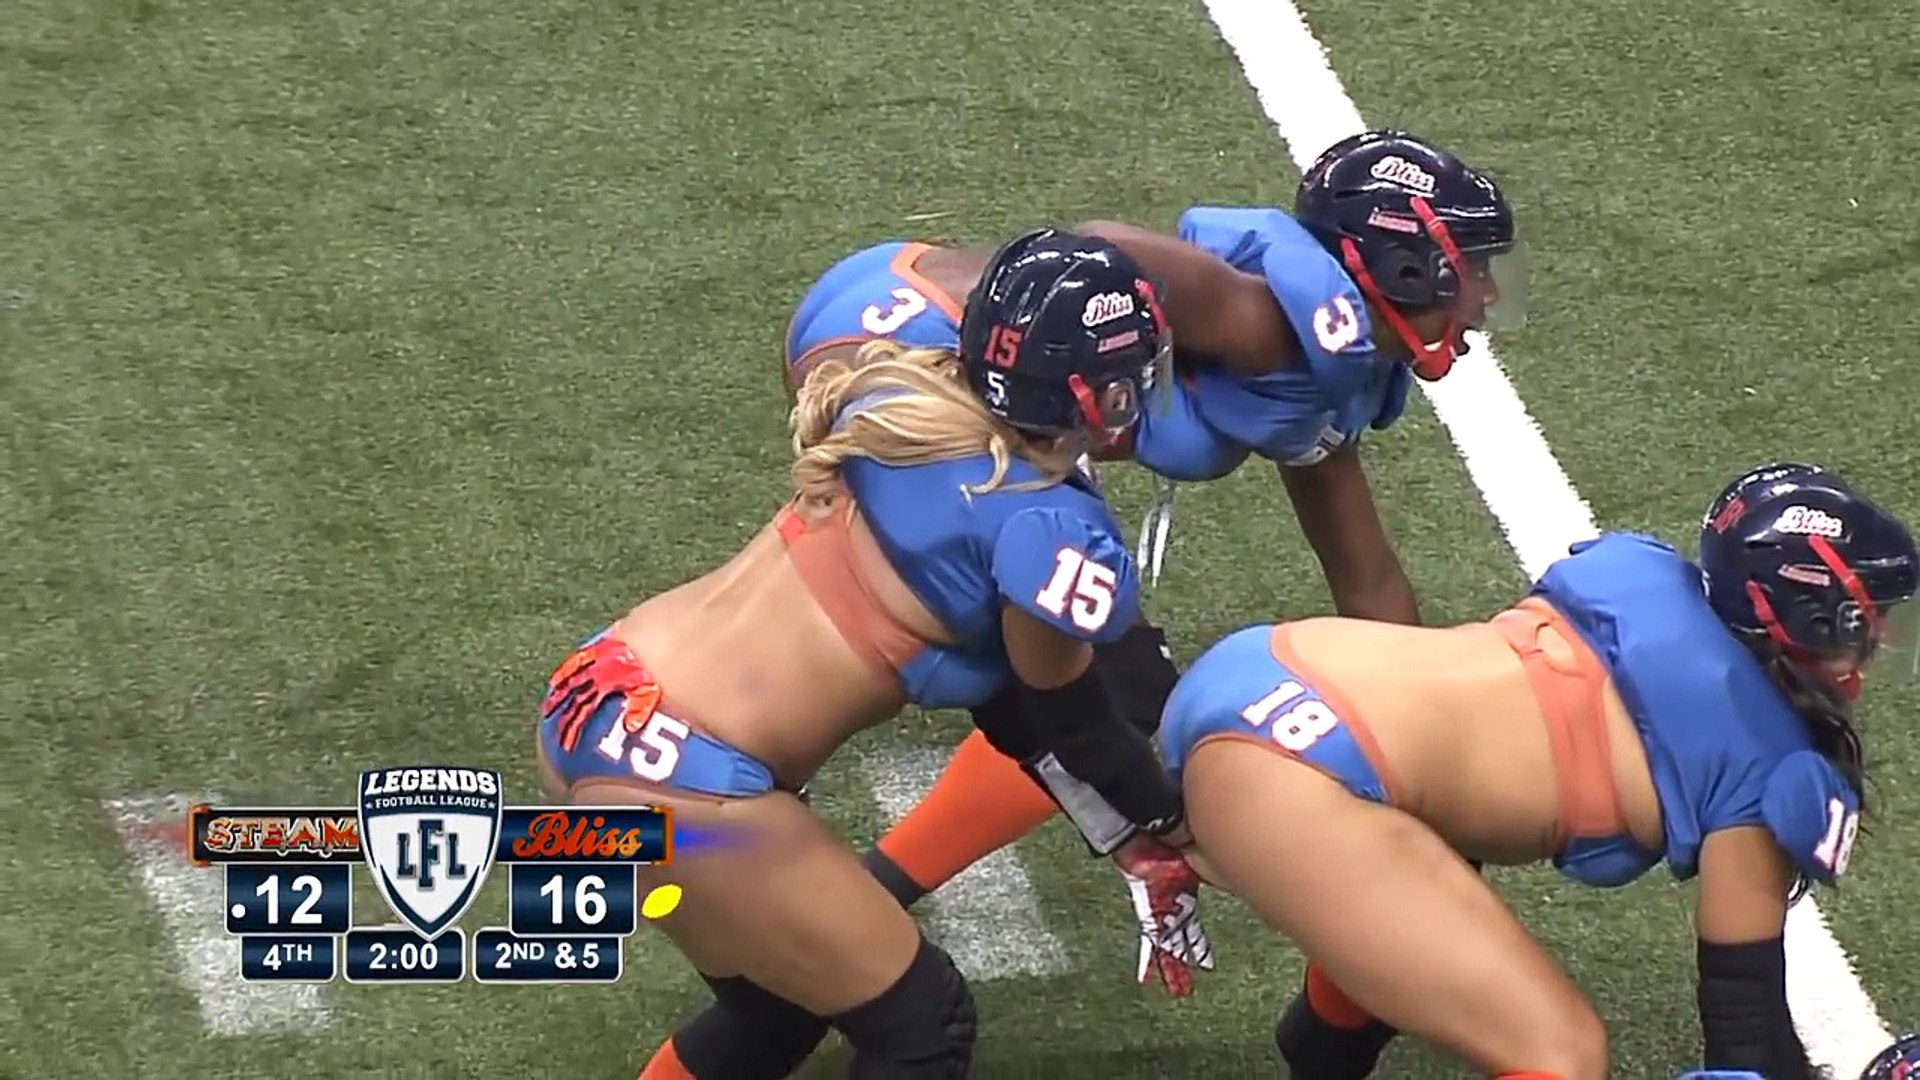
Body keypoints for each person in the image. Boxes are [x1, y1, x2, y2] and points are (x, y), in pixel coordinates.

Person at [778, 128, 1522, 919]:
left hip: (904, 321)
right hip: (903, 348)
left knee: (1046, 654)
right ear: (1409, 266)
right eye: (1474, 270)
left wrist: (1430, 745)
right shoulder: (1261, 321)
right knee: (1044, 654)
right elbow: (1102, 248)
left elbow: (1369, 584)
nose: (1486, 296)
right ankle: (835, 892)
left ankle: (828, 869)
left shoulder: (1326, 372)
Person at [537, 233, 1210, 1080]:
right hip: (686, 780)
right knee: (923, 1028)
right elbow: (1077, 725)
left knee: (780, 1007)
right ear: (1095, 391)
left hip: (597, 703)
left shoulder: (905, 388)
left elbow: (1018, 715)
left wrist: (1126, 837)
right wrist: (1176, 824)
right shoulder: (1046, 526)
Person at [1157, 461, 1918, 1080]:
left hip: (1267, 667)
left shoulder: (1635, 571)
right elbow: (1745, 1032)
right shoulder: (1763, 767)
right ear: (1810, 619)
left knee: (1434, 876)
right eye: (1868, 619)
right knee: (1562, 1056)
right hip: (1297, 768)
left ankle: (1321, 1057)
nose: (1882, 639)